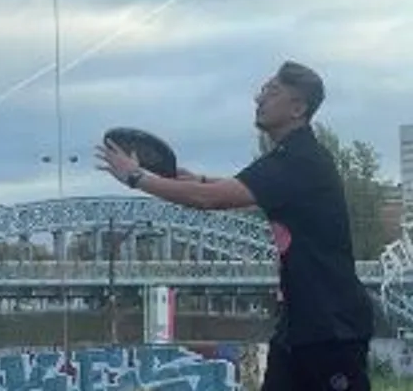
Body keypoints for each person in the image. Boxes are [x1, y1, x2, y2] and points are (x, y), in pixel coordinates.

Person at [96, 60, 373, 391]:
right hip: (298, 329)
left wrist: (136, 177)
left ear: (298, 108)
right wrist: (197, 179)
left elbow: (209, 199)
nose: (259, 98)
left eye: (272, 91)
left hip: (332, 329)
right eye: (263, 90)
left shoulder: (301, 160)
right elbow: (235, 189)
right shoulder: (288, 158)